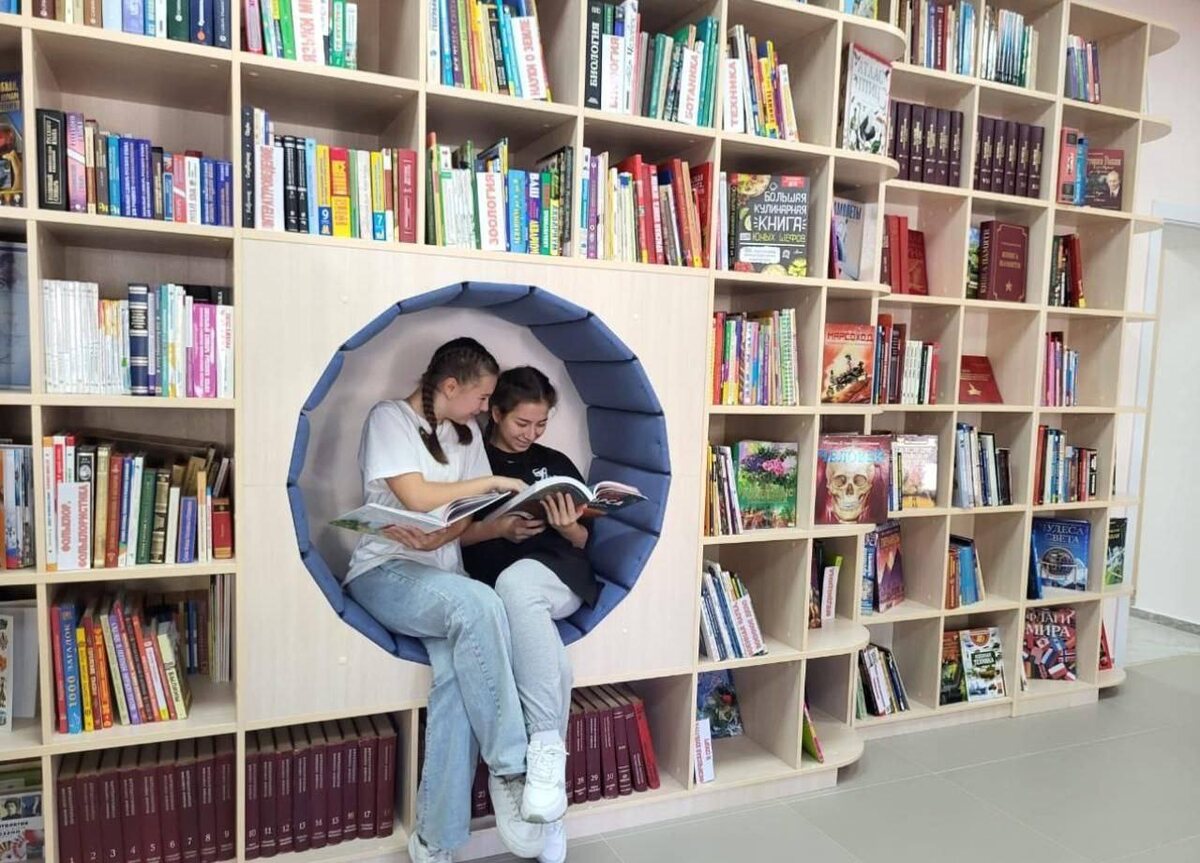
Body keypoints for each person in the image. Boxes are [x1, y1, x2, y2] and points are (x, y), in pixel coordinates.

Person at [344, 338, 561, 862]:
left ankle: (434, 840)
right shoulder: (390, 419)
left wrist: (445, 534)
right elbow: (416, 495)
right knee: (479, 604)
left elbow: (467, 512)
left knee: (457, 683)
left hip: (442, 579)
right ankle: (512, 771)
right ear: (449, 386)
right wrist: (490, 479)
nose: (485, 408)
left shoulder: (463, 436)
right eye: (482, 397)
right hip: (384, 571)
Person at [462, 367, 600, 863]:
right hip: (492, 581)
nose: (531, 434)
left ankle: (540, 751)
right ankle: (552, 805)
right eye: (522, 423)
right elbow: (449, 534)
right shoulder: (470, 458)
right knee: (546, 654)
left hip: (555, 575)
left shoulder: (554, 463)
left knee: (518, 584)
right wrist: (499, 529)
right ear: (496, 412)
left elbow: (584, 542)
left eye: (540, 424)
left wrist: (567, 528)